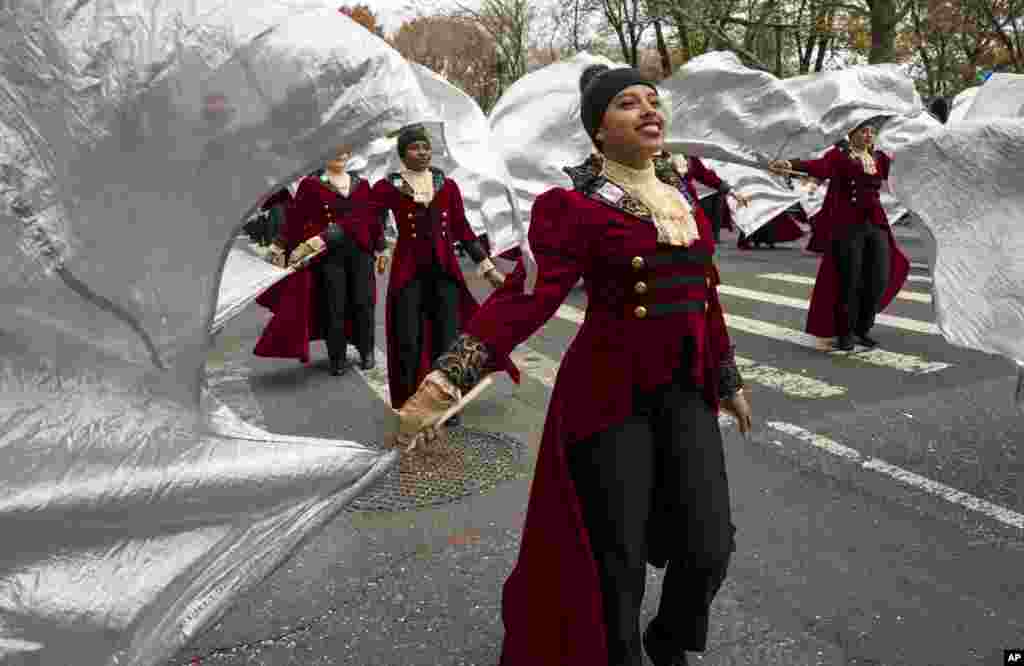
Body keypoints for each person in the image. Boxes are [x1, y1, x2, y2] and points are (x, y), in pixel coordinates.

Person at [390, 65, 753, 666]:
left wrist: (727, 378)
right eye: (627, 104)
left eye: (652, 101)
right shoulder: (571, 206)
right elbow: (525, 298)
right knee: (618, 555)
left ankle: (670, 637)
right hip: (609, 398)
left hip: (686, 394)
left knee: (710, 544)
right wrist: (444, 382)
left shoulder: (682, 196)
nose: (648, 111)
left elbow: (704, 296)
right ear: (598, 132)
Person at [371, 124, 506, 414]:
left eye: (426, 147)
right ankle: (413, 402)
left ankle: (443, 404)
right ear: (402, 153)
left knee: (446, 339)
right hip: (408, 273)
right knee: (408, 337)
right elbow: (371, 219)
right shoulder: (388, 186)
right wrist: (380, 247)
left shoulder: (447, 185)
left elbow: (463, 229)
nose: (422, 153)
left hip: (444, 272)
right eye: (415, 147)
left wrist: (487, 267)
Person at [770, 119, 909, 351]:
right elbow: (818, 166)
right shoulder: (840, 155)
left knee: (878, 276)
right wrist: (789, 164)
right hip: (848, 225)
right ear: (851, 133)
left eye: (871, 133)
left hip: (876, 223)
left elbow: (903, 169)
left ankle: (863, 328)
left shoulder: (879, 158)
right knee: (849, 279)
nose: (868, 136)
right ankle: (845, 332)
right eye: (863, 132)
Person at [254, 145, 384, 374]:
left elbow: (371, 219)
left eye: (345, 151)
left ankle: (367, 351)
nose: (341, 155)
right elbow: (296, 217)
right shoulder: (312, 184)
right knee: (334, 306)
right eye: (335, 151)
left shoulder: (361, 184)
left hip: (360, 253)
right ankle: (337, 357)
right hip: (328, 256)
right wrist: (279, 245)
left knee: (364, 303)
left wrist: (381, 249)